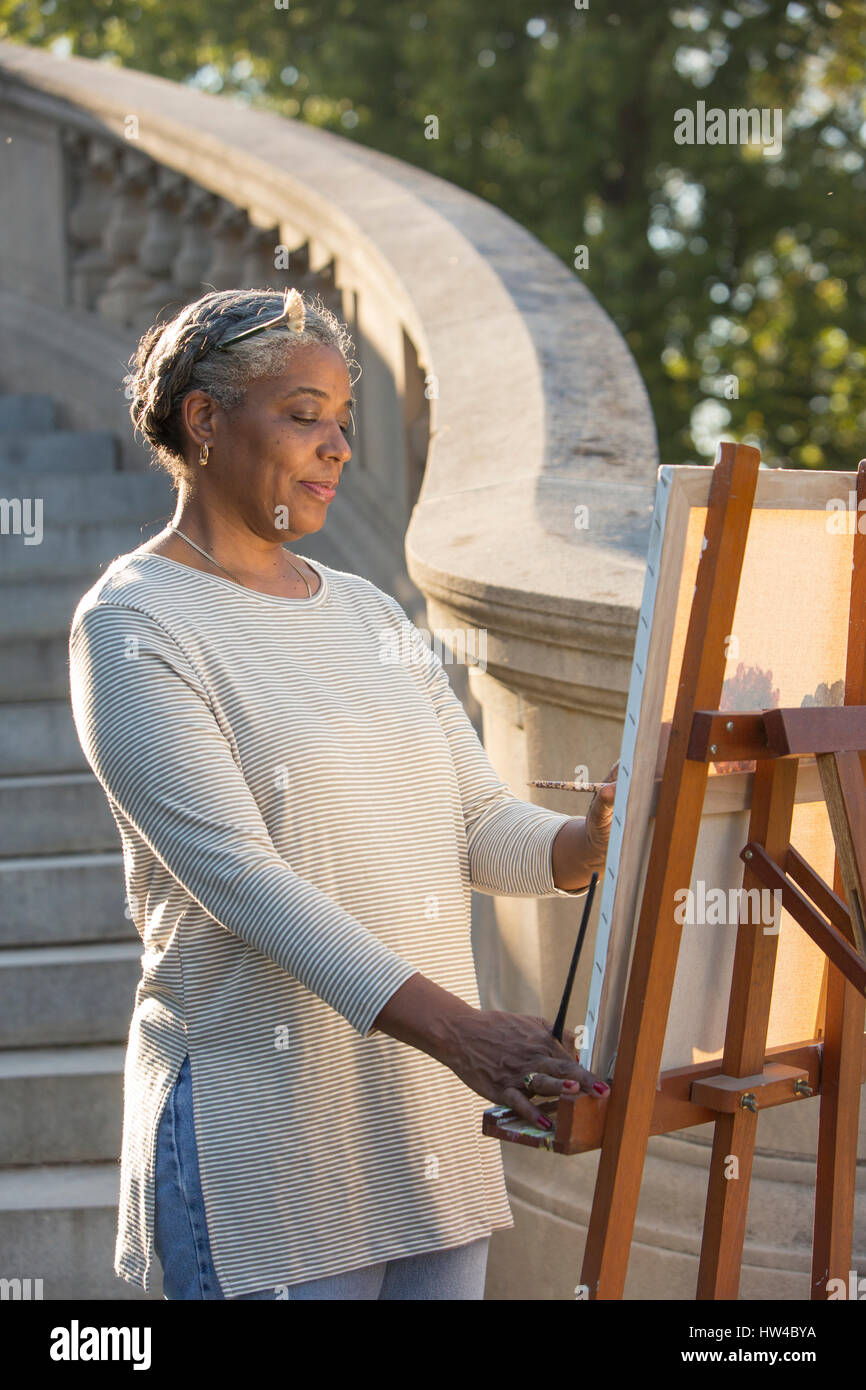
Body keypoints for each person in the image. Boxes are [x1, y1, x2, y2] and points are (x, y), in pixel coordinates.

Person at [68, 286, 618, 1301]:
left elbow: (477, 826)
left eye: (342, 424)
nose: (336, 449)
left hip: (430, 1143)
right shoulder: (134, 624)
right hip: (264, 1152)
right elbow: (244, 881)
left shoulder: (365, 608)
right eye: (302, 414)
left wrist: (584, 843)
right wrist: (464, 1029)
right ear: (204, 419)